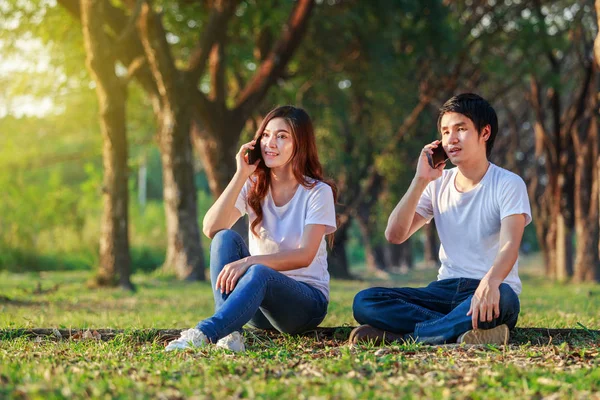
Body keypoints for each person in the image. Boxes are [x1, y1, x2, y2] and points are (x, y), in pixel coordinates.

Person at [351, 93, 532, 345]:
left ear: (485, 133)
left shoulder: (508, 183)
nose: (451, 139)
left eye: (461, 129)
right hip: (443, 291)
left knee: (505, 297)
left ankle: (409, 337)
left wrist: (490, 283)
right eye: (445, 132)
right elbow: (395, 235)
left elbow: (510, 246)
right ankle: (455, 330)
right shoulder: (438, 183)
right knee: (366, 301)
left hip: (492, 289)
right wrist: (420, 180)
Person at [166, 105, 337, 352]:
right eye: (266, 135)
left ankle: (205, 333)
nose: (270, 143)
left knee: (259, 272)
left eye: (282, 136)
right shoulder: (254, 184)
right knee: (224, 238)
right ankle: (230, 336)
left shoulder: (317, 192)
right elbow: (211, 227)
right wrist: (241, 175)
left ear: (300, 144)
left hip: (303, 306)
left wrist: (249, 262)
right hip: (258, 306)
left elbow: (305, 255)